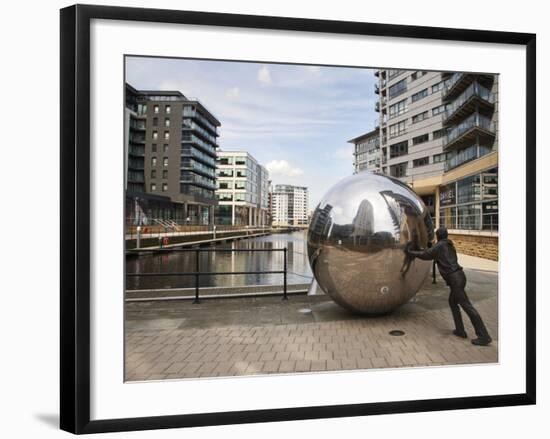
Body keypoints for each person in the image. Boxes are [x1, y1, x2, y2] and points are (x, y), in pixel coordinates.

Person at [406, 226, 492, 346]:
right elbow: (433, 252)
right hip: (459, 277)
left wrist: (410, 252)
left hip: (455, 279)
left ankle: (484, 336)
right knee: (453, 303)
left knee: (467, 306)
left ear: (438, 236)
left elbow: (426, 254)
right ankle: (460, 330)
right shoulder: (449, 244)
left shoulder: (440, 246)